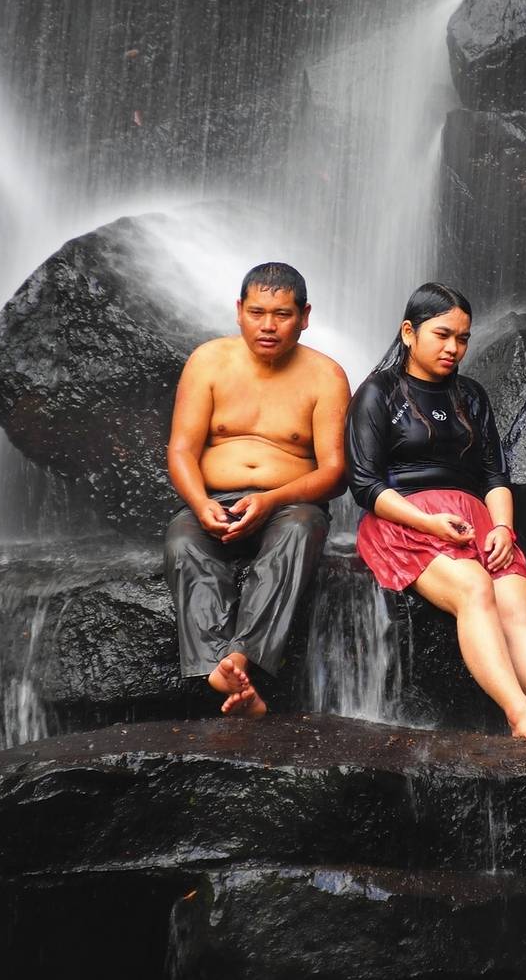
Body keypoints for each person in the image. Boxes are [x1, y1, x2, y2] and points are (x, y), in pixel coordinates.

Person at [346, 282, 526, 745]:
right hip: (402, 520)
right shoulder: (378, 392)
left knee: (517, 604)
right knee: (474, 587)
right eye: (442, 335)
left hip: (474, 519)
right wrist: (426, 522)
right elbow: (365, 485)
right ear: (409, 332)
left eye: (463, 338)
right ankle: (519, 711)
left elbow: (494, 476)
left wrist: (504, 528)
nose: (454, 348)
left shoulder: (471, 396)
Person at [164, 262, 350, 717]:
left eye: (283, 314)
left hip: (291, 504)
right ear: (239, 311)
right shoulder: (207, 361)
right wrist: (200, 503)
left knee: (300, 530)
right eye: (257, 312)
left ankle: (238, 660)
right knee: (183, 539)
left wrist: (271, 500)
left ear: (305, 316)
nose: (268, 326)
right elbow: (182, 451)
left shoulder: (326, 376)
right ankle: (220, 666)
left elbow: (336, 472)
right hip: (215, 500)